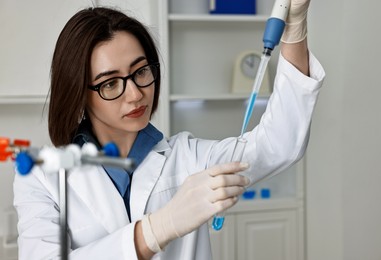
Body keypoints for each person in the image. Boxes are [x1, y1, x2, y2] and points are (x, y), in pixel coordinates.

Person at [13, 0, 324, 259]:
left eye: (141, 71)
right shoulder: (42, 176)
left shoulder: (190, 158)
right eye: (110, 83)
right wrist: (158, 228)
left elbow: (279, 144)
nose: (135, 94)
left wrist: (294, 28)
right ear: (79, 92)